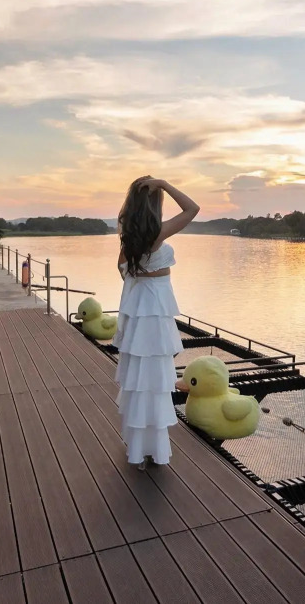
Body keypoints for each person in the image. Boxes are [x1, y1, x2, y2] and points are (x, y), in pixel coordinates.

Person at [112, 176, 200, 470]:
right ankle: (150, 450)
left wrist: (142, 274)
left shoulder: (128, 231)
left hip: (140, 308)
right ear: (154, 202)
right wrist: (165, 185)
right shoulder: (157, 233)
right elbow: (192, 209)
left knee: (140, 379)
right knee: (152, 380)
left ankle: (139, 448)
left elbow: (121, 267)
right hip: (153, 310)